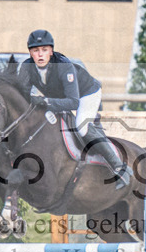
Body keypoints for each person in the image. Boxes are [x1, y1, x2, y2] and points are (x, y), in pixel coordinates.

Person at [19, 29, 131, 188]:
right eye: (36, 51)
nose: (41, 55)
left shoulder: (64, 66)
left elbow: (73, 102)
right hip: (59, 97)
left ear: (51, 51)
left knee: (82, 126)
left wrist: (45, 101)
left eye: (44, 50)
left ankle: (120, 167)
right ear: (30, 53)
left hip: (86, 93)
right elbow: (22, 95)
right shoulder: (26, 67)